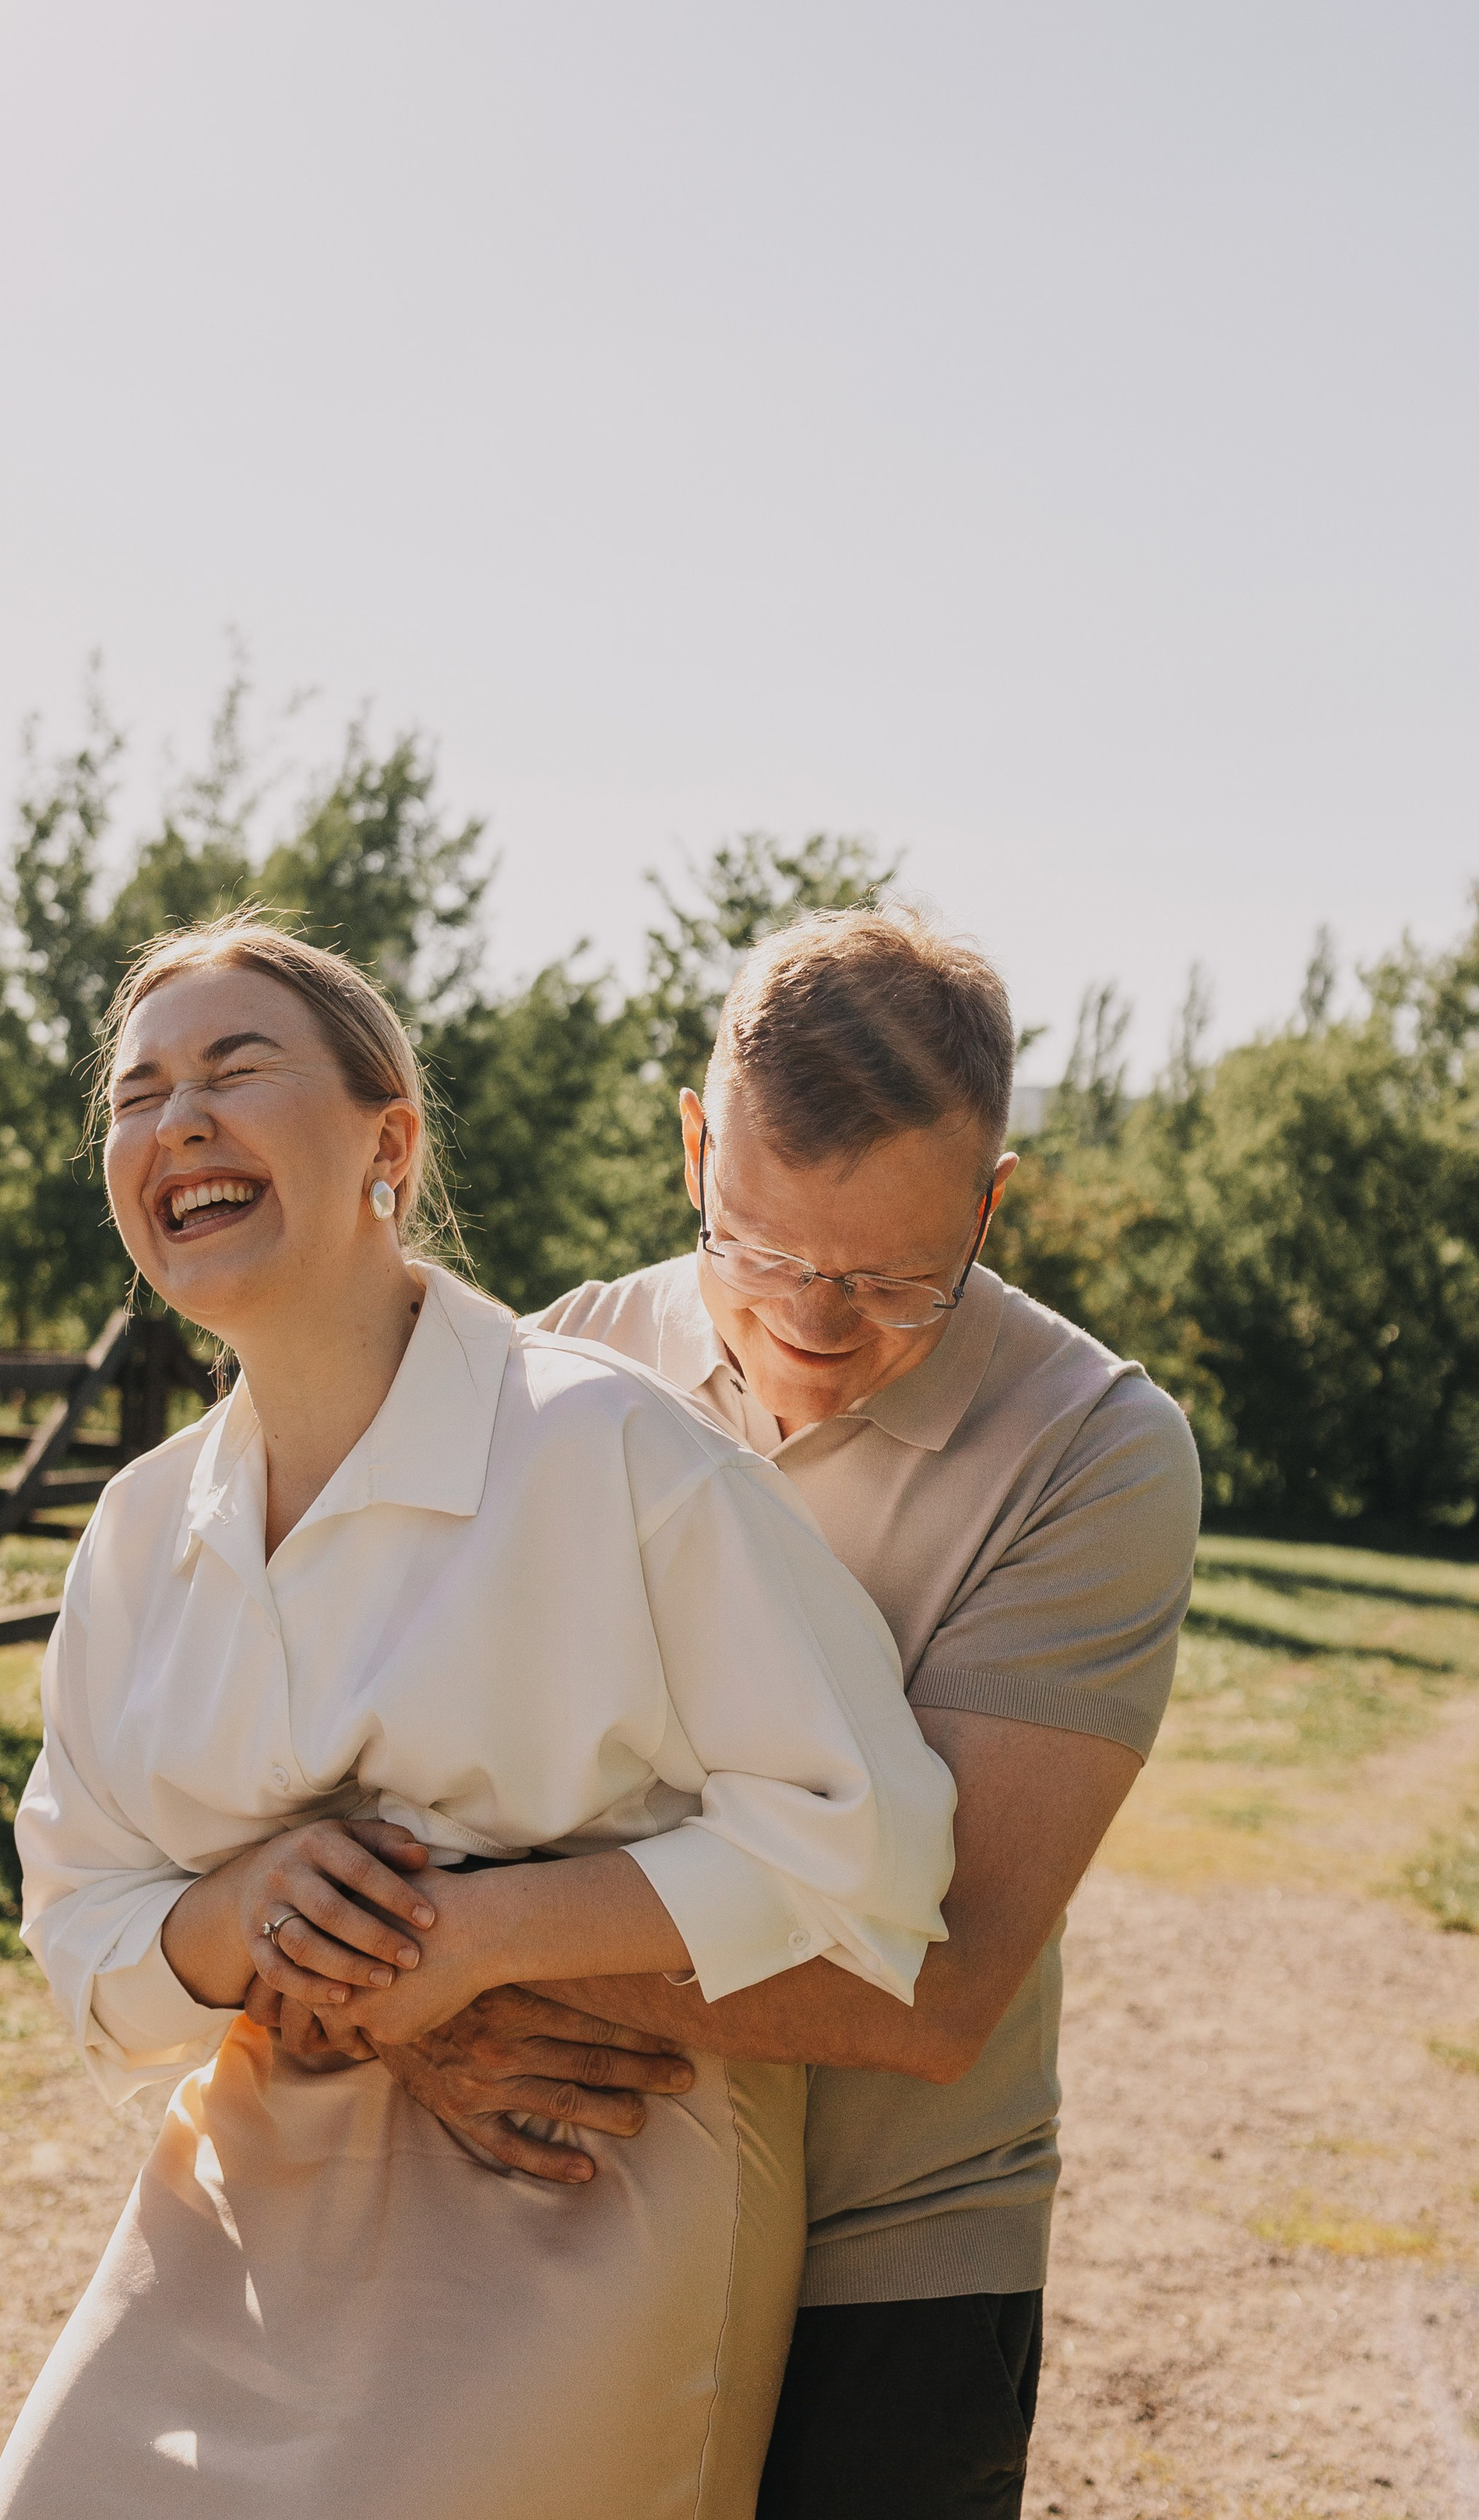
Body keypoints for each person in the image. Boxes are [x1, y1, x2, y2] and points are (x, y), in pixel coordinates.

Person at [0, 916, 957, 2520]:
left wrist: (479, 1936)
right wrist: (241, 1912)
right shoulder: (140, 1532)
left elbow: (873, 1847)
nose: (178, 1122)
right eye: (137, 1095)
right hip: (244, 2184)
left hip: (582, 2172)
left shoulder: (609, 1455)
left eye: (235, 1068)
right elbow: (84, 1929)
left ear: (388, 1138)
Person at [332, 908, 1203, 2520]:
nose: (810, 1326)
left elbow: (935, 1981)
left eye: (890, 1282)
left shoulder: (1094, 1453)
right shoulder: (559, 1362)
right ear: (690, 1147)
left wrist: (482, 1956)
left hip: (892, 2249)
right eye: (758, 1253)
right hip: (572, 2201)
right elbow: (413, 1756)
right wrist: (430, 2016)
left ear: (990, 1201)